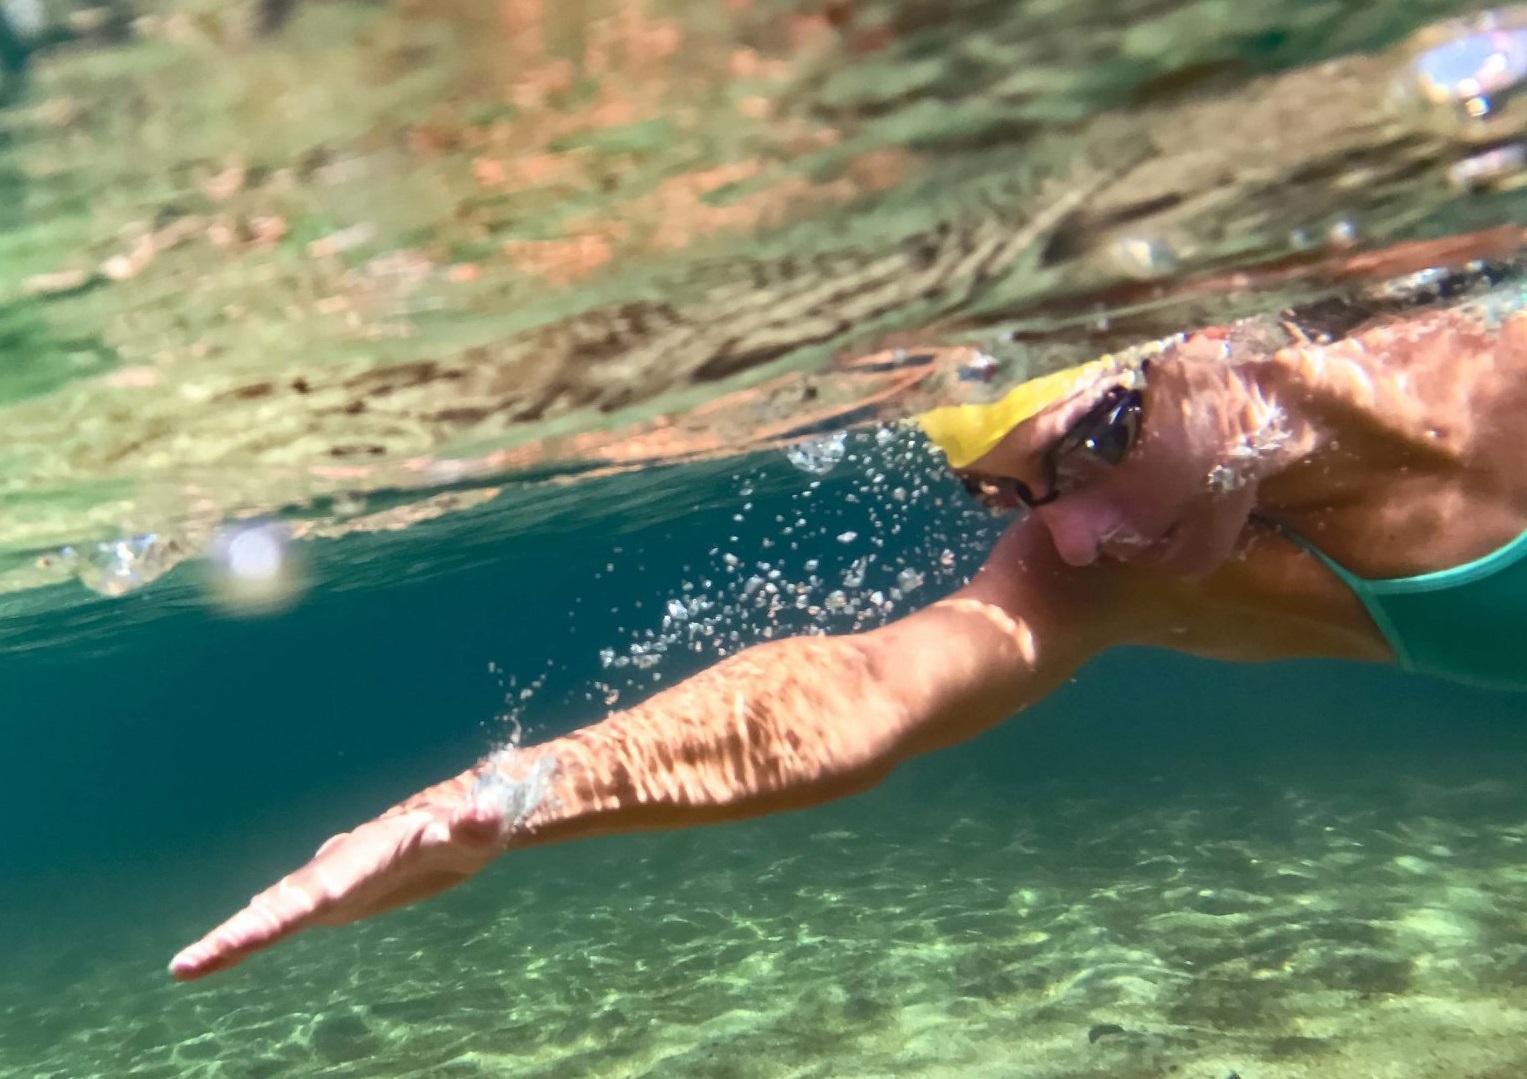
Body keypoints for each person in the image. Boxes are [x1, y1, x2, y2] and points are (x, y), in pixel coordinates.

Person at [169, 263, 1527, 981]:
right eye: (1008, 491)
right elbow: (864, 691)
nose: (1059, 531)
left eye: (1090, 447)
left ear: (1214, 339)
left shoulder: (1503, 374)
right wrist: (511, 796)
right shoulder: (1118, 573)